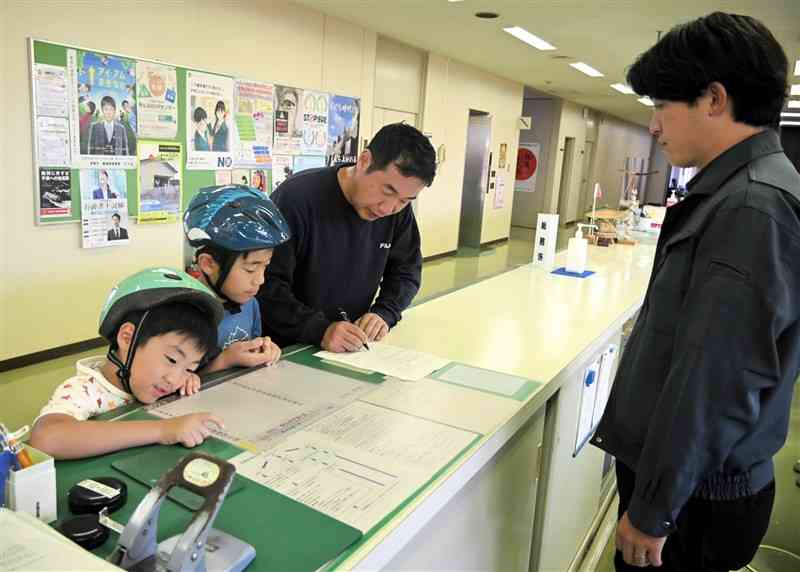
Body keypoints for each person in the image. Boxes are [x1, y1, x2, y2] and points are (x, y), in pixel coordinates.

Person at [591, 12, 800, 571]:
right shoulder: (738, 192)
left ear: (713, 98)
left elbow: (716, 380)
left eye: (662, 106)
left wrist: (655, 507)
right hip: (691, 485)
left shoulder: (751, 208)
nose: (654, 126)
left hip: (695, 501)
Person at [258, 122, 436, 352]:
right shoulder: (296, 199)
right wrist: (319, 329)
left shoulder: (397, 214)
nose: (387, 208)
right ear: (364, 161)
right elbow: (265, 283)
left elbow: (406, 270)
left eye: (404, 200)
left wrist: (384, 312)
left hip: (348, 347)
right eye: (387, 191)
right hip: (282, 348)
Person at [29, 269, 225, 459]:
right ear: (127, 337)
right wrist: (163, 430)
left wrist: (190, 376)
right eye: (172, 359)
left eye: (189, 367)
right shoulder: (85, 390)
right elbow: (47, 438)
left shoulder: (166, 380)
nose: (174, 380)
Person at [184, 185, 291, 371]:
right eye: (250, 269)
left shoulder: (250, 305)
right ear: (208, 264)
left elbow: (250, 353)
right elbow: (172, 387)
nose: (260, 280)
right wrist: (224, 361)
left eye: (264, 266)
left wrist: (264, 351)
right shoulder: (182, 316)